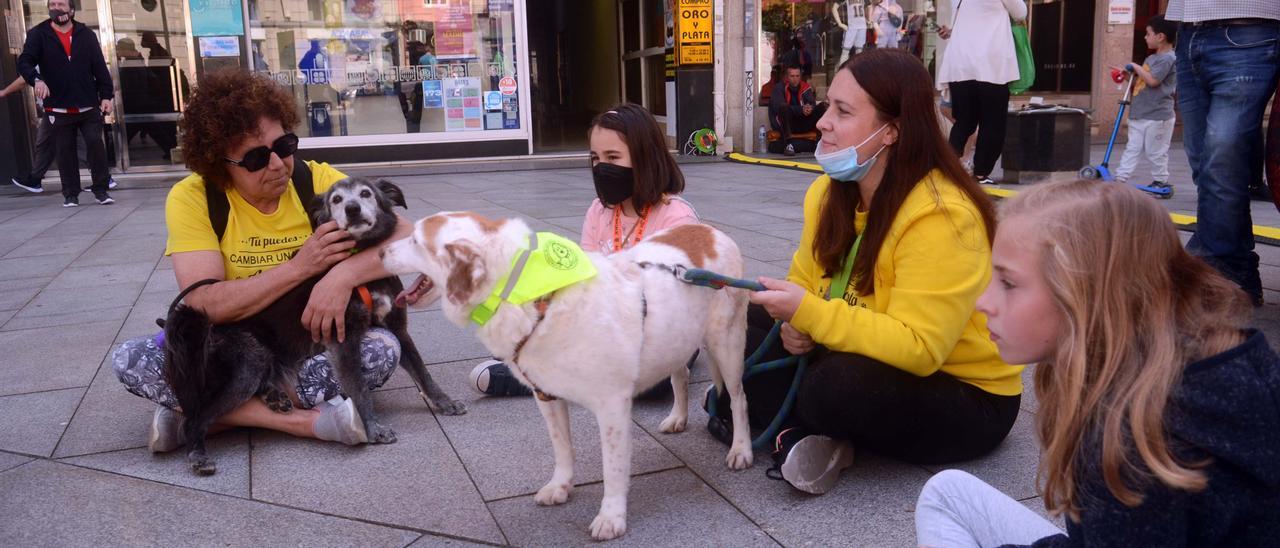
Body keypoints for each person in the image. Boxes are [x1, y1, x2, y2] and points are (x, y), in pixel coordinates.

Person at [713, 49, 1019, 496]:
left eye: (842, 111)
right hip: (861, 351)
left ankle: (790, 422)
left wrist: (811, 316)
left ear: (891, 130)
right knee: (740, 317)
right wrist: (794, 320)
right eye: (827, 104)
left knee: (837, 387)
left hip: (963, 391)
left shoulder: (942, 214)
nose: (821, 122)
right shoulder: (827, 192)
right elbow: (803, 281)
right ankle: (802, 433)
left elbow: (920, 347)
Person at [915, 179, 1279, 546]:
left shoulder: (1130, 438)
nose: (983, 302)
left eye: (1008, 283)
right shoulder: (1232, 359)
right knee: (947, 491)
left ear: (1083, 297)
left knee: (945, 497)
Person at [110, 70, 412, 452]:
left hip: (303, 348)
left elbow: (406, 234)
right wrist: (301, 267)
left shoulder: (314, 180)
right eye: (255, 158)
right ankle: (306, 422)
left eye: (284, 145)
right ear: (219, 164)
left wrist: (340, 278)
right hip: (232, 351)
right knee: (131, 359)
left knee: (382, 349)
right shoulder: (193, 198)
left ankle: (201, 415)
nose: (277, 165)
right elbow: (203, 301)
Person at [468, 103, 699, 398]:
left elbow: (675, 302)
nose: (601, 167)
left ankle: (538, 377)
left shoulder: (675, 217)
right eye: (595, 158)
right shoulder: (599, 211)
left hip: (663, 332)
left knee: (649, 382)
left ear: (645, 158)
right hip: (606, 324)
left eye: (613, 157)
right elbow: (585, 274)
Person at [1167, 1, 1280, 306]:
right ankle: (1235, 268)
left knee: (1222, 153)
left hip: (1251, 27)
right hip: (1188, 29)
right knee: (1203, 159)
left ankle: (1217, 265)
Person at [17, 0, 116, 206]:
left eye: (61, 4)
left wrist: (106, 96)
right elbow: (25, 62)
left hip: (88, 105)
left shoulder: (86, 35)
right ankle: (71, 194)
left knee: (95, 146)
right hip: (58, 106)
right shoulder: (38, 34)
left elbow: (99, 67)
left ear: (71, 10)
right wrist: (36, 79)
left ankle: (101, 190)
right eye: (52, 4)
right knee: (64, 151)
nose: (56, 8)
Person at [935, 0, 1027, 185]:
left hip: (961, 65)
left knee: (964, 122)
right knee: (992, 123)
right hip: (990, 65)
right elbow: (1020, 12)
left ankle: (947, 169)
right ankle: (980, 174)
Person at [2, 76, 117, 194]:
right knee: (47, 143)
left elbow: (24, 80)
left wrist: (4, 92)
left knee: (76, 144)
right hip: (59, 108)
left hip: (63, 108)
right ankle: (35, 178)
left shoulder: (43, 60)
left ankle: (103, 178)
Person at [1112, 15, 1177, 194]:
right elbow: (1141, 83)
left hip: (1158, 115)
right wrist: (1127, 76)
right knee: (1132, 147)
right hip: (1139, 112)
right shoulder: (1151, 59)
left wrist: (1136, 66)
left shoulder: (1168, 59)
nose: (1145, 37)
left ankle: (1161, 180)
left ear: (1160, 36)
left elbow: (1154, 81)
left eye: (1148, 34)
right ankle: (1121, 177)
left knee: (1155, 151)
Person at [769, 64, 828, 156]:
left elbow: (811, 103)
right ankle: (788, 144)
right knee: (784, 107)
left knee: (823, 106)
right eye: (792, 76)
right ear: (786, 77)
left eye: (797, 76)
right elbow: (778, 107)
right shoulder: (779, 88)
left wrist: (809, 108)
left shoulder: (805, 87)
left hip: (803, 122)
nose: (795, 79)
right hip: (788, 124)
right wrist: (800, 109)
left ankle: (822, 141)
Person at [833, 0, 868, 66]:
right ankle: (842, 73)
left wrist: (868, 20)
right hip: (851, 27)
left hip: (862, 26)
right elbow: (834, 8)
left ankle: (858, 72)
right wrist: (840, 23)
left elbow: (866, 8)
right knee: (845, 51)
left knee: (859, 51)